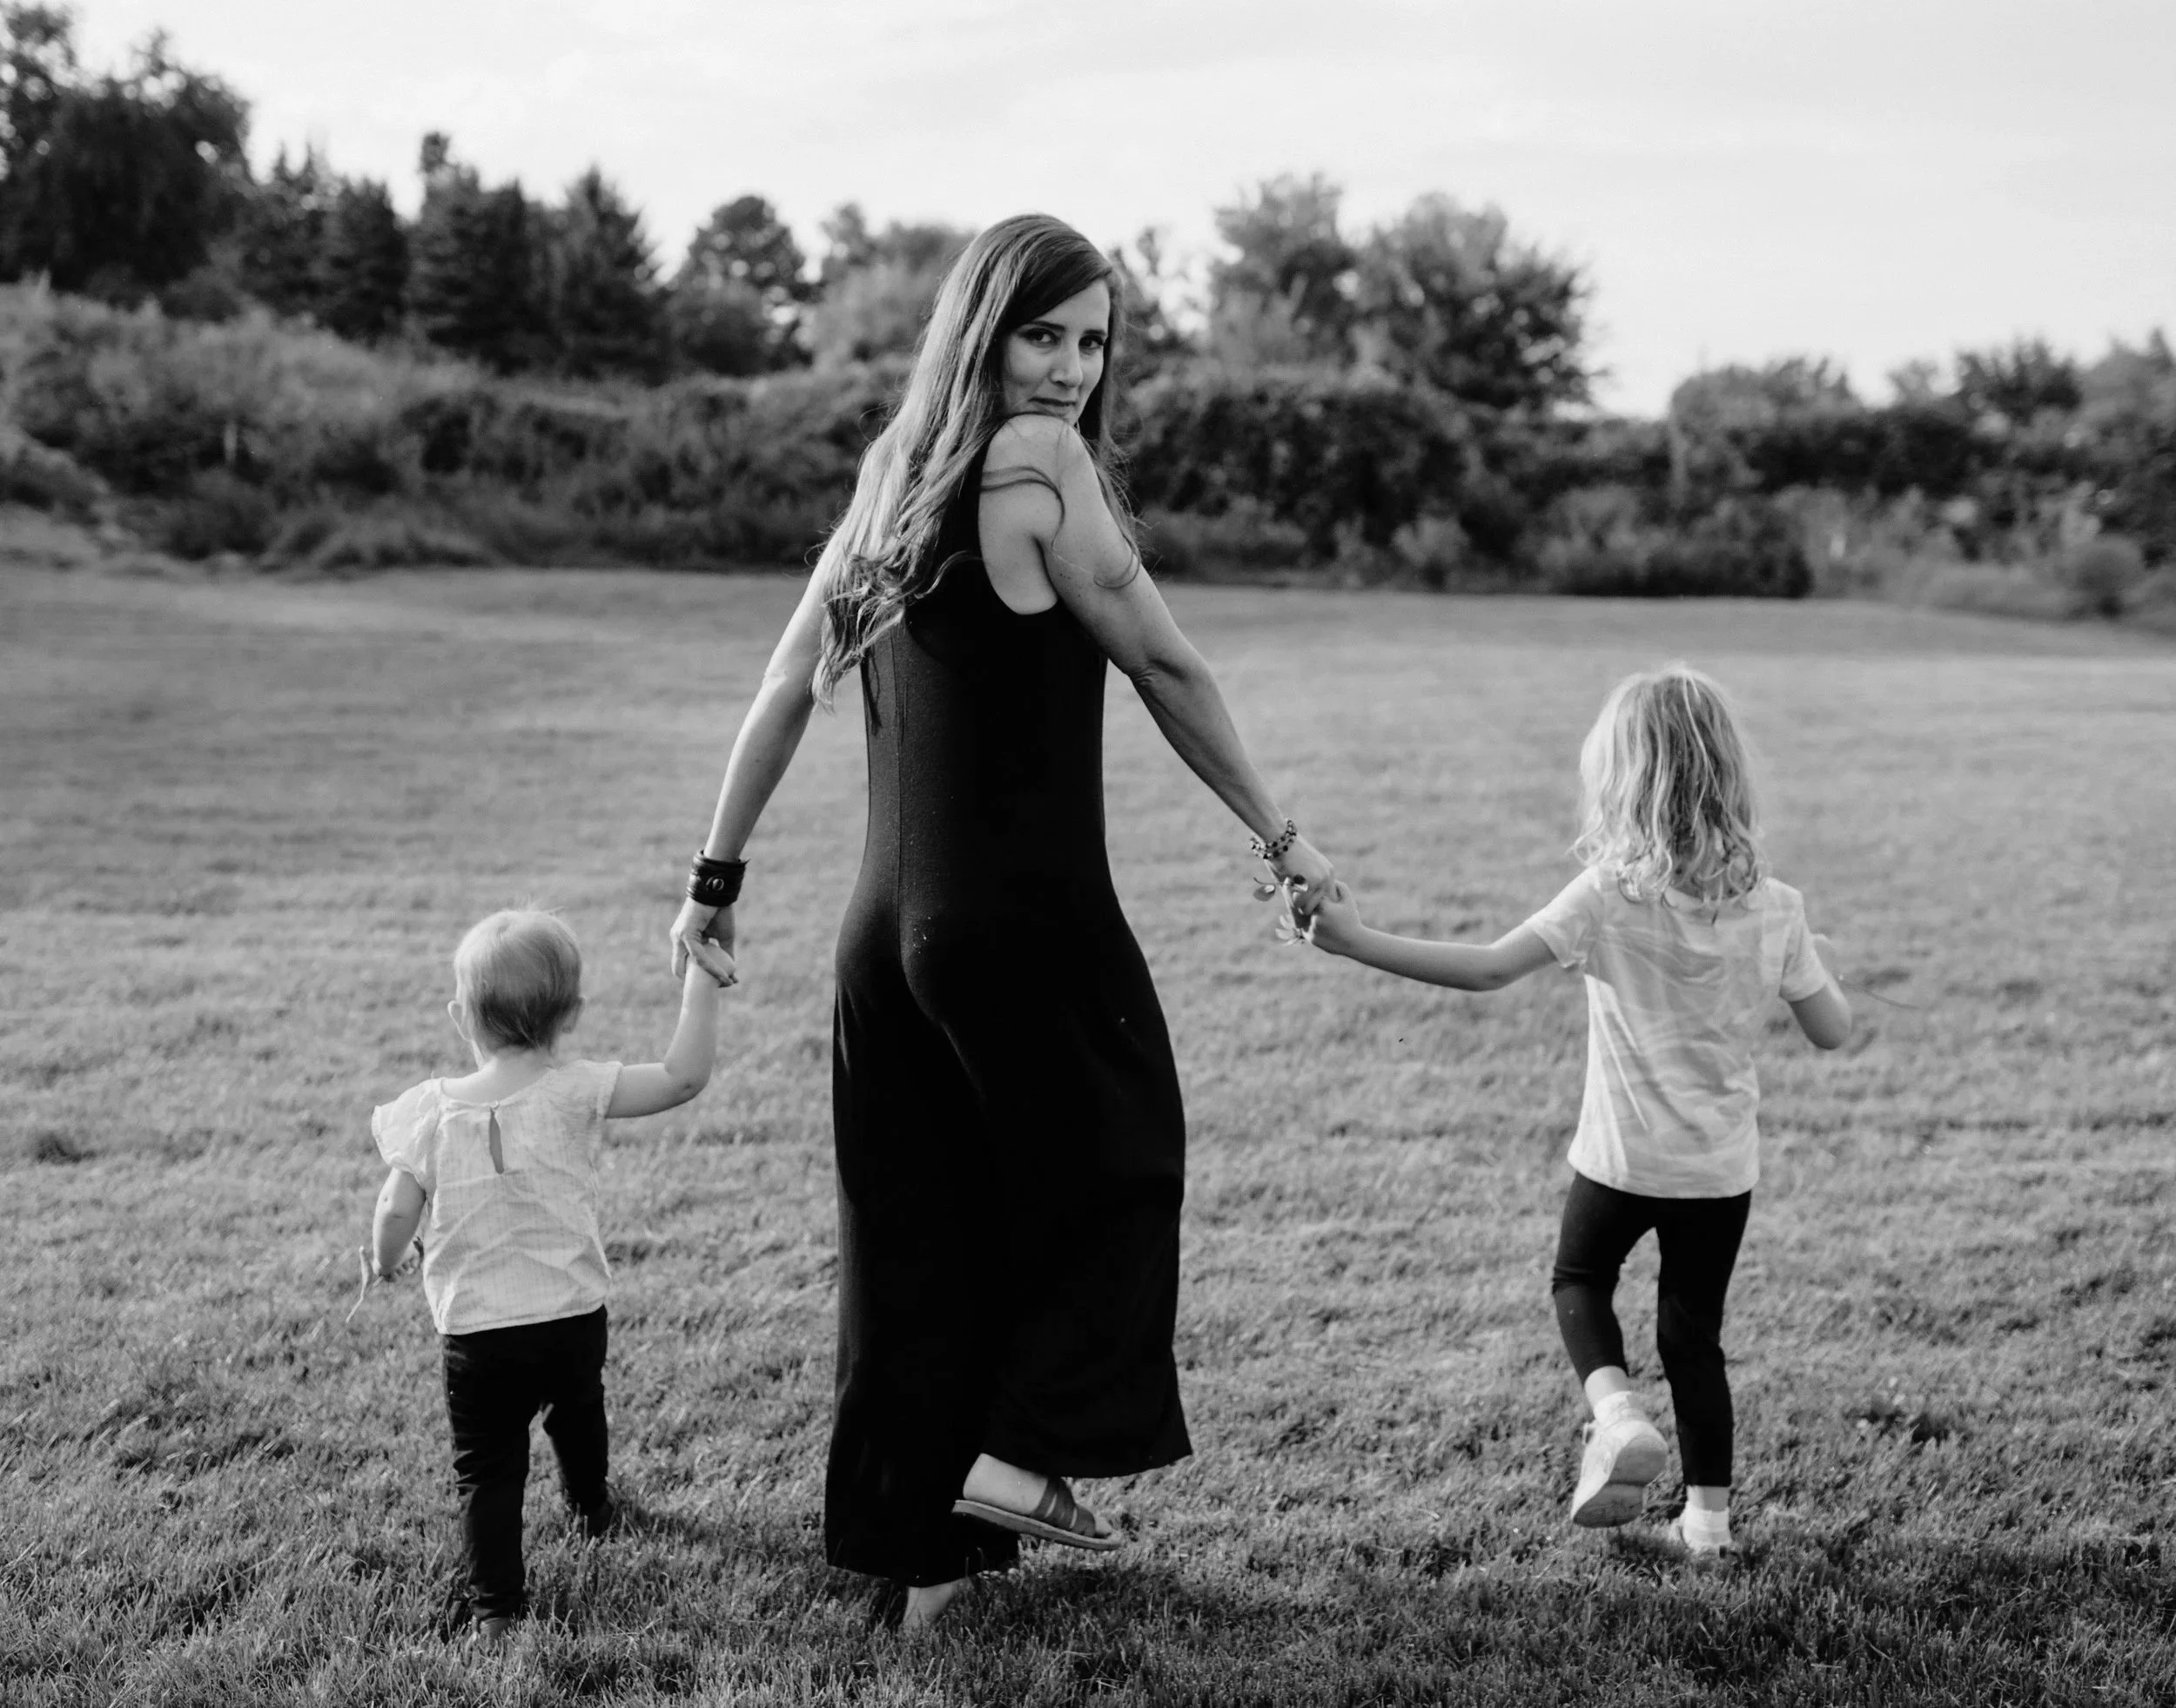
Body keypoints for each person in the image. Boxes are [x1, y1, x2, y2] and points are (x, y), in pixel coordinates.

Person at [668, 212, 1335, 1628]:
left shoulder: (890, 473)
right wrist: (1280, 836)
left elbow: (787, 685)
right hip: (1021, 916)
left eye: (1094, 343)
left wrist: (712, 880)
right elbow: (1160, 654)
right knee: (1123, 1151)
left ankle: (922, 1570)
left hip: (881, 938)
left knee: (919, 1240)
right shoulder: (1041, 465)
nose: (1072, 370)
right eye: (1045, 334)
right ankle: (1028, 1457)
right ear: (983, 327)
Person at [1305, 666, 1850, 1558]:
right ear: (1728, 776)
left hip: (1619, 1162)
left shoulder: (1606, 895)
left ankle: (1616, 1410)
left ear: (1623, 782)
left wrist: (1357, 940)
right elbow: (1831, 1031)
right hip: (1717, 1174)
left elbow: (1487, 969)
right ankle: (1708, 1525)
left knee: (1579, 1283)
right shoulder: (1778, 908)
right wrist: (1816, 963)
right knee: (1692, 1336)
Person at [362, 906, 735, 1641]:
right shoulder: (577, 1089)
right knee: (577, 1409)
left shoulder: (427, 1113)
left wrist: (385, 1259)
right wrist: (702, 978)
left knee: (489, 1470)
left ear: (458, 1015)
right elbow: (683, 1077)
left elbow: (395, 1205)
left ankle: (497, 1608)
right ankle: (591, 1503)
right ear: (574, 1015)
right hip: (570, 1317)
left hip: (478, 1334)